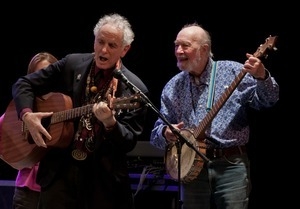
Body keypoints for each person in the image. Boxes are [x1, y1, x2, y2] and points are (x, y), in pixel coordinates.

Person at [11, 13, 149, 209]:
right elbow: (23, 84)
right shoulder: (72, 64)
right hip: (59, 174)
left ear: (125, 50)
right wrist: (26, 115)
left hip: (101, 181)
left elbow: (128, 141)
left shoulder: (134, 89)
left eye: (112, 45)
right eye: (100, 42)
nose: (103, 50)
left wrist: (110, 123)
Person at [150, 23, 279, 209]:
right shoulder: (173, 87)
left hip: (230, 164)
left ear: (204, 49)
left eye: (185, 45)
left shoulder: (233, 72)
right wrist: (165, 133)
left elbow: (269, 100)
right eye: (176, 45)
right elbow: (155, 135)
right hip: (191, 168)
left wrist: (262, 76)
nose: (178, 50)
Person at [12, 52, 58, 209]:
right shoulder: (25, 105)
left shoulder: (65, 101)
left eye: (48, 73)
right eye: (38, 74)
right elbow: (4, 128)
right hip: (27, 189)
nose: (44, 79)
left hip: (57, 188)